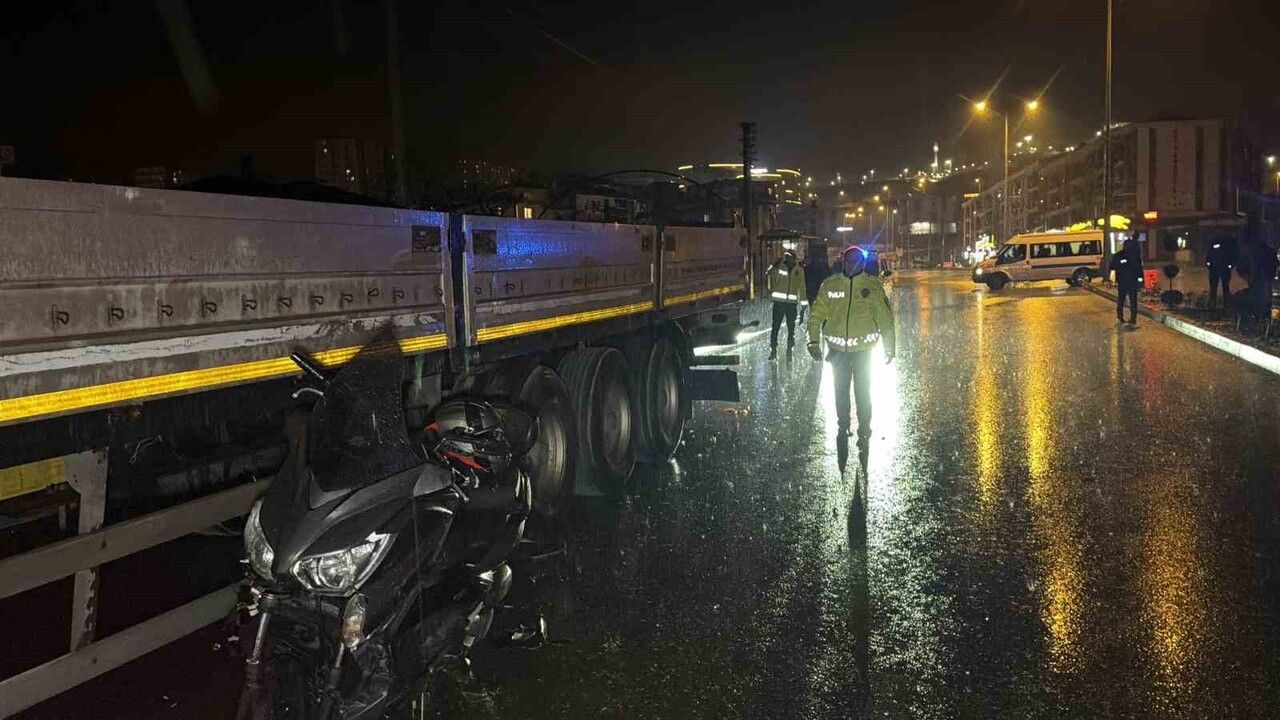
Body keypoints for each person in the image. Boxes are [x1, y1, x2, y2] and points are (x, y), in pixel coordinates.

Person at [807, 246, 896, 469]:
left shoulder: (872, 286)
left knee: (863, 392)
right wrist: (813, 341)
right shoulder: (830, 285)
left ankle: (864, 429)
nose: (852, 264)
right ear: (842, 261)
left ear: (862, 264)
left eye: (856, 261)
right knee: (840, 392)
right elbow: (816, 315)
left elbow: (885, 319)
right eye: (848, 260)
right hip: (837, 353)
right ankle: (843, 424)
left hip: (863, 352)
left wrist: (889, 348)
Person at [767, 250, 805, 359]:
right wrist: (774, 265)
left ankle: (789, 349)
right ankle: (773, 350)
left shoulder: (799, 270)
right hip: (779, 303)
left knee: (791, 328)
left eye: (790, 257)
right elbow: (769, 273)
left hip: (791, 304)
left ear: (794, 258)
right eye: (786, 256)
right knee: (775, 327)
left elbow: (802, 288)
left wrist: (803, 305)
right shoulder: (779, 267)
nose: (788, 258)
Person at [1109, 238, 1144, 324]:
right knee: (1123, 299)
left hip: (1130, 282)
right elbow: (1113, 267)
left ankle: (1132, 318)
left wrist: (1140, 280)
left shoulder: (1135, 256)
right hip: (1124, 281)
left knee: (1132, 301)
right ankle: (1121, 316)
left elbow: (1139, 270)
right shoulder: (1119, 256)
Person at [1205, 235, 1238, 309]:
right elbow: (1210, 255)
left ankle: (1222, 304)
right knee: (1219, 287)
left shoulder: (1221, 244)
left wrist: (1209, 263)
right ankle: (1217, 304)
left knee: (1222, 287)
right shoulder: (1225, 244)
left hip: (1220, 268)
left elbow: (1210, 255)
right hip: (1218, 268)